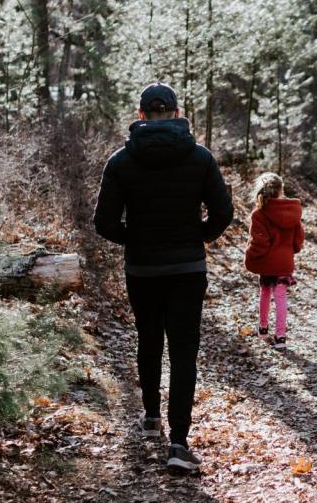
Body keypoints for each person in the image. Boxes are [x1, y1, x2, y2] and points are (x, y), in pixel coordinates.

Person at [93, 82, 233, 471]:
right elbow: (223, 213)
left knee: (149, 338)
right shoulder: (200, 157)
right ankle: (178, 443)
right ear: (175, 113)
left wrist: (134, 240)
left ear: (141, 115)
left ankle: (151, 417)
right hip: (188, 268)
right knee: (184, 351)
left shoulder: (121, 161)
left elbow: (103, 222)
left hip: (143, 268)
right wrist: (196, 238)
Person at [244, 172, 304, 350]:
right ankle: (281, 337)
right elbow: (299, 238)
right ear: (281, 189)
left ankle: (263, 328)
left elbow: (259, 243)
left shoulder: (259, 214)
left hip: (266, 262)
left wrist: (250, 255)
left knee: (264, 293)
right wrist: (290, 250)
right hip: (284, 262)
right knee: (281, 298)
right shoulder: (293, 211)